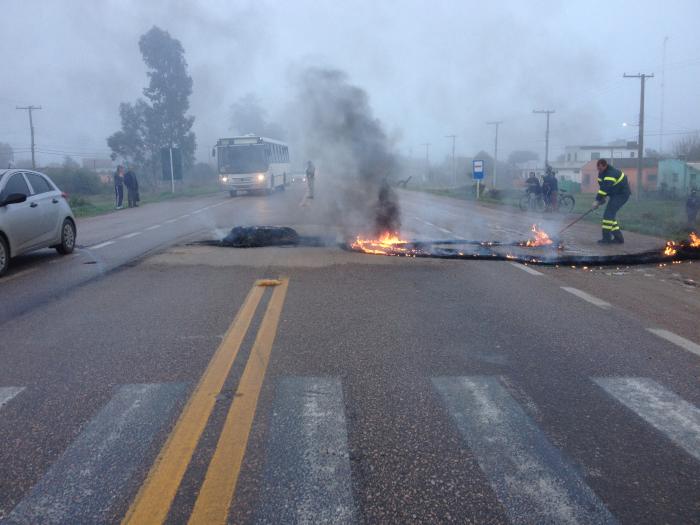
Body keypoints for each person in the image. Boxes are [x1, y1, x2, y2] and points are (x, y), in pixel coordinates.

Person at [592, 158, 630, 244]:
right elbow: (603, 187)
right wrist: (602, 199)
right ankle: (618, 238)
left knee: (608, 215)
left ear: (605, 165)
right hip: (614, 195)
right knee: (609, 216)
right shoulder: (602, 174)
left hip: (622, 195)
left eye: (600, 168)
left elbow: (605, 188)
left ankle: (606, 239)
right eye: (598, 169)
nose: (599, 170)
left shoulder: (611, 173)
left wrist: (597, 201)